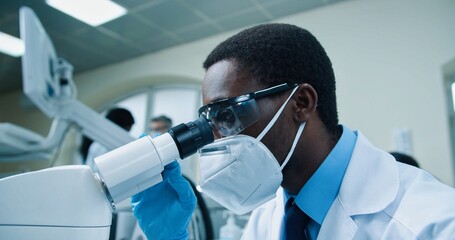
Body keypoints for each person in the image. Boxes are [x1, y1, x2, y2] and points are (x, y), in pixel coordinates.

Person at [132, 23, 455, 239]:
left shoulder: (433, 223)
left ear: (300, 102)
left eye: (227, 115)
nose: (217, 136)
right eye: (211, 121)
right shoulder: (267, 218)